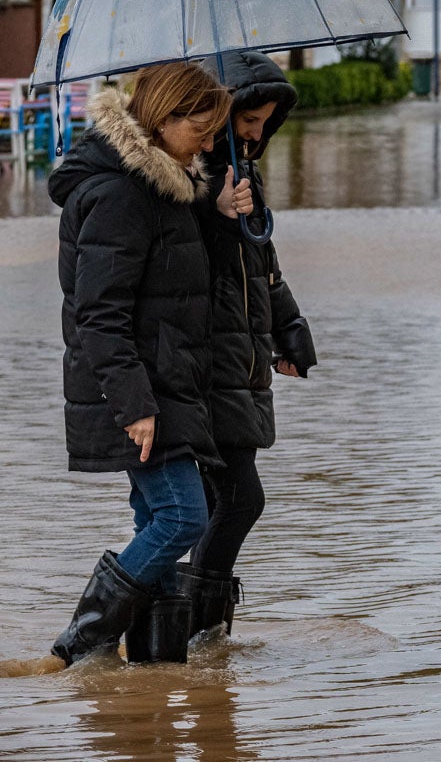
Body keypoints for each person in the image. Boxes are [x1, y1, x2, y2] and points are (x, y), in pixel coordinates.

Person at [46, 61, 238, 667]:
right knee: (184, 516)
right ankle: (78, 647)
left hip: (167, 384)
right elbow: (99, 315)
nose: (210, 145)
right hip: (138, 392)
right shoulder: (119, 194)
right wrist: (136, 406)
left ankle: (153, 669)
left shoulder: (164, 186)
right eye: (202, 131)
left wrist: (221, 213)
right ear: (164, 119)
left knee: (157, 516)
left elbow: (177, 276)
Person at [176, 50, 316, 639]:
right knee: (240, 498)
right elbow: (177, 265)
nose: (257, 133)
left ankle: (200, 642)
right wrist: (215, 210)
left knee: (222, 499)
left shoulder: (245, 175)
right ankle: (196, 624)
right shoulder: (184, 172)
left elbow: (262, 265)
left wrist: (291, 333)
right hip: (209, 364)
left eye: (265, 123)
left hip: (246, 358)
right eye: (248, 120)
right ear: (222, 111)